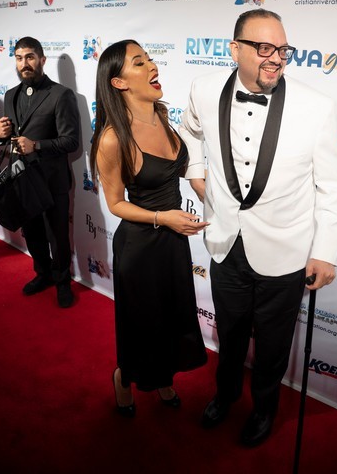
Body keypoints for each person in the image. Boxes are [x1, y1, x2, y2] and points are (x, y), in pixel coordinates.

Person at [178, 9, 337, 447]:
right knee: (230, 333)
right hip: (224, 243)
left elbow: (332, 186)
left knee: (273, 345)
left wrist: (325, 251)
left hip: (285, 251)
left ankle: (264, 409)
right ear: (234, 49)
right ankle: (226, 394)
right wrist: (195, 172)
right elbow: (189, 132)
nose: (276, 58)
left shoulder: (317, 107)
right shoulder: (203, 88)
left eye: (283, 50)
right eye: (265, 48)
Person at [90, 39, 208, 416]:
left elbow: (181, 169)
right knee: (143, 325)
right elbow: (115, 203)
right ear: (119, 82)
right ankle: (124, 378)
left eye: (150, 59)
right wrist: (163, 217)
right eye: (139, 63)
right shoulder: (112, 138)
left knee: (171, 318)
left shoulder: (162, 114)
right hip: (140, 248)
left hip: (173, 244)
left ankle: (162, 377)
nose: (152, 66)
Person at [0, 37, 80, 308]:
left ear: (42, 60)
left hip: (52, 181)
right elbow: (11, 139)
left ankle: (63, 282)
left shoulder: (61, 95)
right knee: (32, 233)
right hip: (22, 179)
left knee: (58, 236)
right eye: (19, 58)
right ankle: (43, 274)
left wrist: (37, 146)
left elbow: (71, 141)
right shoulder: (10, 95)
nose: (24, 64)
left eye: (30, 57)